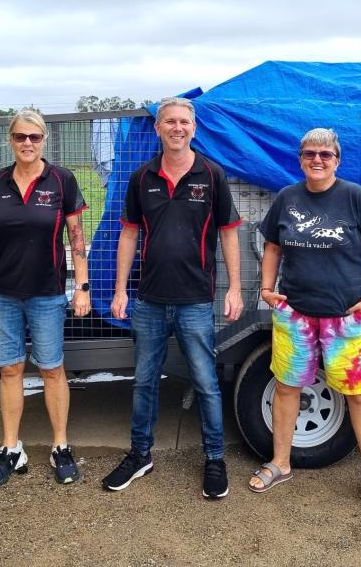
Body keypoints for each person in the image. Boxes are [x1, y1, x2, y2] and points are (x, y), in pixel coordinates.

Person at [249, 127, 361, 516]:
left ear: (337, 160)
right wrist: (267, 289)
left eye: (325, 155)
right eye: (310, 153)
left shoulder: (354, 197)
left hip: (347, 319)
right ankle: (281, 463)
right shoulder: (287, 197)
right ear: (300, 159)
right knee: (286, 387)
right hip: (296, 316)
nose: (317, 160)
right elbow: (273, 246)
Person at [102, 97, 243, 499]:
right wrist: (118, 291)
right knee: (144, 381)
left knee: (205, 382)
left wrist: (233, 287)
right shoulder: (141, 177)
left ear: (193, 129)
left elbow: (229, 232)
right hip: (149, 300)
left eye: (184, 122)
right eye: (170, 122)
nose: (177, 128)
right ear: (159, 128)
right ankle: (140, 454)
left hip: (196, 300)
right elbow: (129, 233)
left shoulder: (211, 175)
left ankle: (215, 459)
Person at [0, 110, 91, 488]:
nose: (27, 143)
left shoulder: (61, 181)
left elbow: (76, 237)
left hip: (47, 293)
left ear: (44, 140)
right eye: (20, 137)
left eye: (34, 137)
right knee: (9, 370)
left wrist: (82, 287)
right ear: (10, 140)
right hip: (5, 293)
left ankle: (60, 446)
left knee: (52, 369)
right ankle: (11, 448)